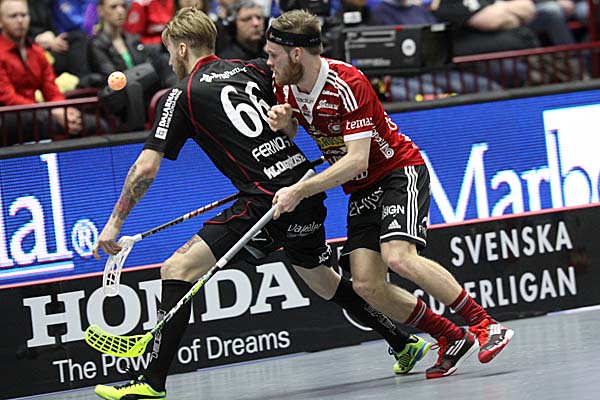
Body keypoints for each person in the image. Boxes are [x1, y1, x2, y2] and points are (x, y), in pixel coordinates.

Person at [92, 7, 430, 399]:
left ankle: (150, 384)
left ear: (182, 48)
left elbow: (145, 168)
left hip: (267, 203)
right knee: (323, 281)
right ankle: (403, 342)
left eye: (169, 51)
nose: (168, 61)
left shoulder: (180, 95)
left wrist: (114, 223)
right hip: (303, 191)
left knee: (177, 269)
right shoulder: (250, 69)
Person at [265, 9, 514, 379]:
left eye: (274, 55)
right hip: (362, 188)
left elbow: (356, 159)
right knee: (366, 285)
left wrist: (300, 190)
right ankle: (449, 335)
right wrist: (286, 125)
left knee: (399, 257)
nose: (269, 62)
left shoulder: (347, 83)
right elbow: (299, 134)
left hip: (398, 172)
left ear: (297, 54)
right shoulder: (285, 88)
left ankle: (485, 325)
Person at [0, 0, 88, 143]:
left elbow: (51, 90)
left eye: (24, 15)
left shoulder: (37, 52)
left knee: (85, 122)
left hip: (37, 113)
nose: (20, 20)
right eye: (13, 16)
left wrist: (62, 110)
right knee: (45, 121)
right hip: (7, 116)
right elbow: (8, 98)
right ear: (1, 22)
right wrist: (50, 111)